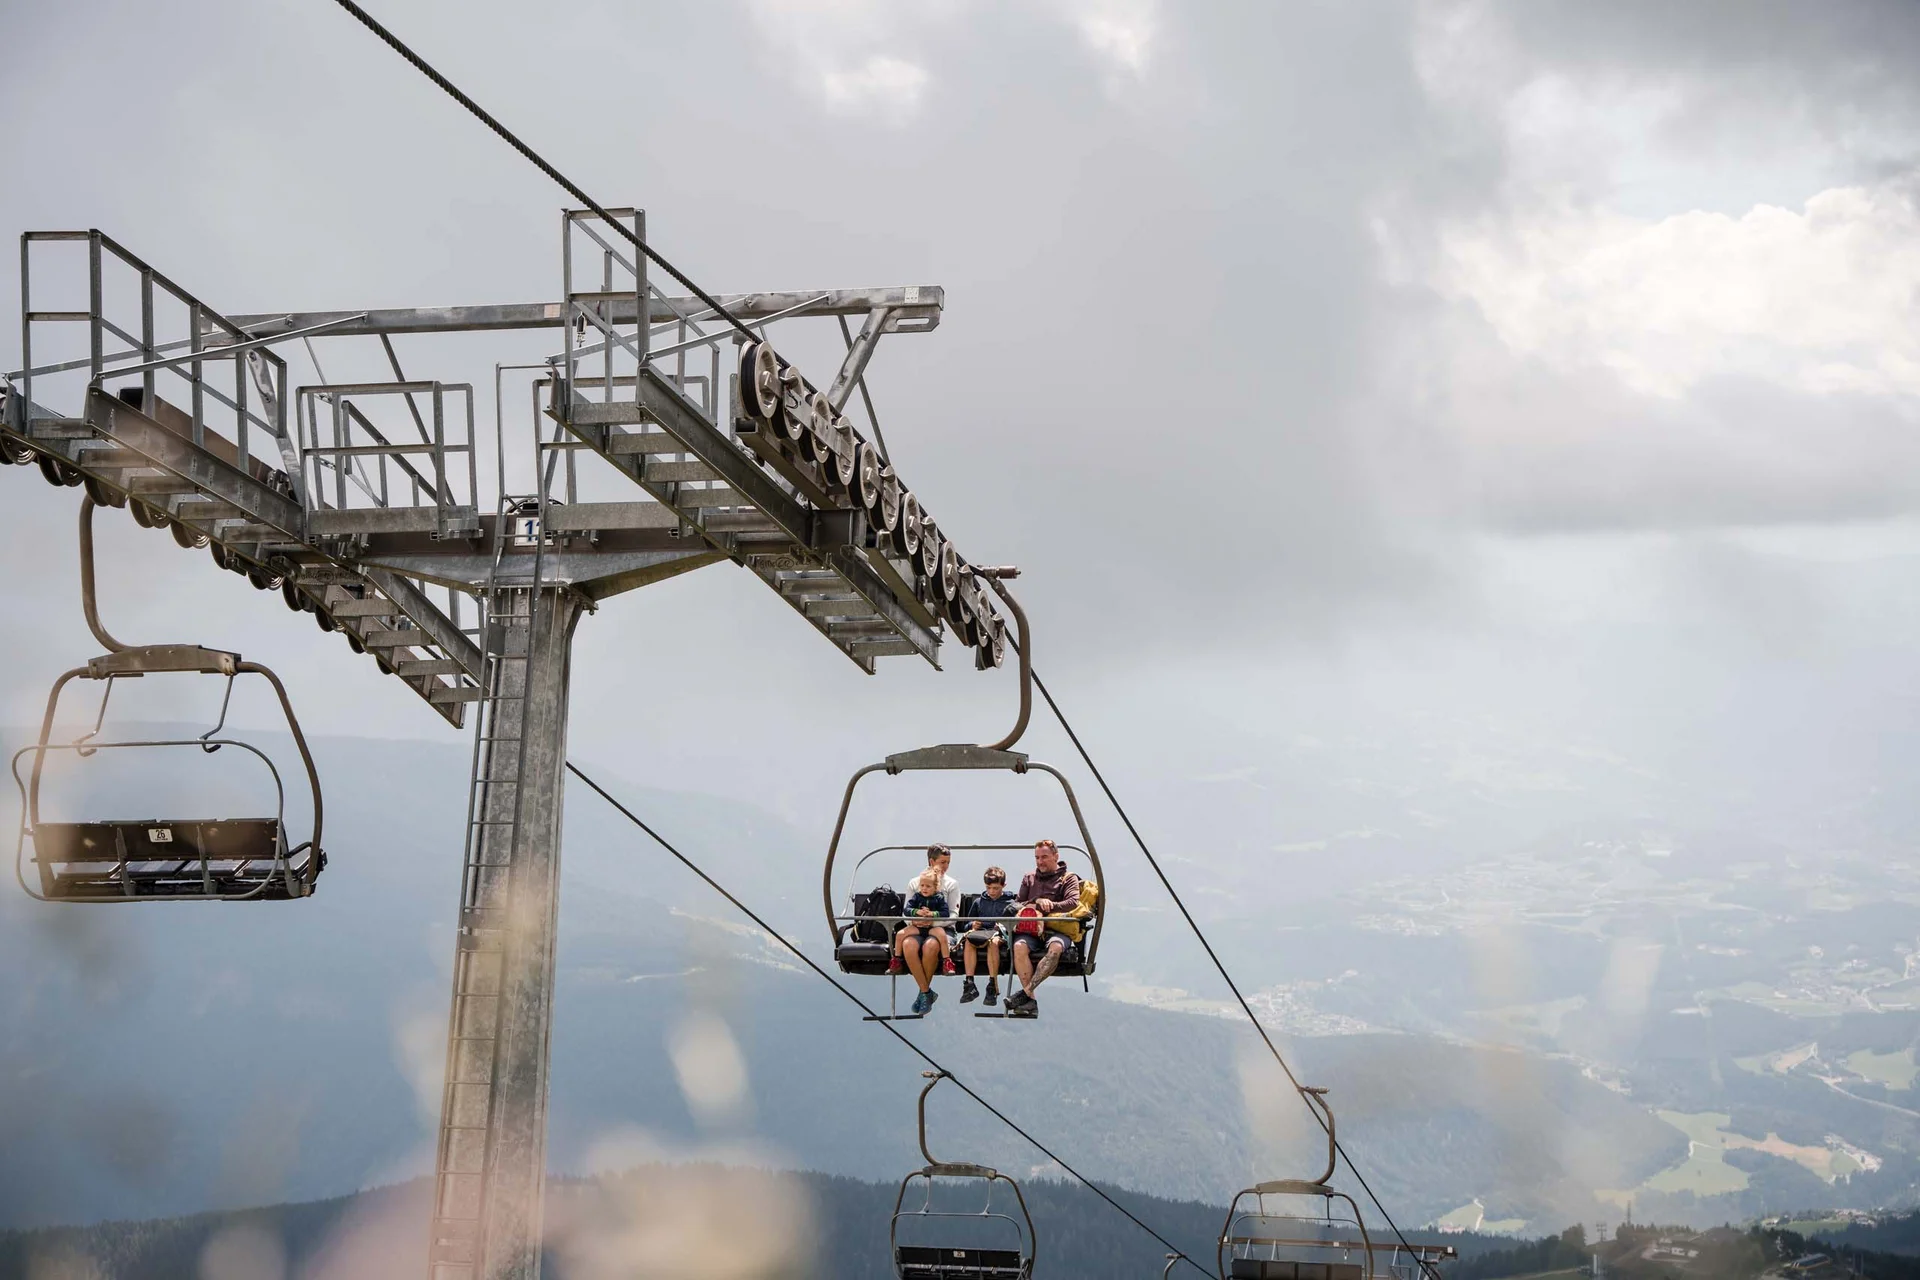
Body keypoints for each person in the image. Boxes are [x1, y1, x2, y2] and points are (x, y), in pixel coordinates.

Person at [1006, 839, 1082, 1017]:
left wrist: (1051, 906)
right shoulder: (1029, 878)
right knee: (1019, 946)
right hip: (1031, 930)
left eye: (1045, 857)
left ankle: (1025, 992)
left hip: (1057, 929)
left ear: (1056, 856)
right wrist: (1037, 903)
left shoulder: (1068, 878)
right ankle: (1030, 999)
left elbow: (1072, 903)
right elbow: (1017, 904)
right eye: (1037, 858)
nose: (1040, 862)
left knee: (1055, 949)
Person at [958, 865, 1017, 1005]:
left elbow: (1014, 927)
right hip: (980, 934)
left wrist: (1002, 927)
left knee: (993, 943)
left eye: (995, 888)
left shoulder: (1011, 903)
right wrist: (972, 925)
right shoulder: (979, 902)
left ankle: (992, 984)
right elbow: (965, 925)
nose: (991, 891)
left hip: (998, 936)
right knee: (968, 941)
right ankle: (969, 982)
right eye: (988, 888)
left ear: (1003, 886)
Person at [897, 867, 952, 1014]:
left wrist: (932, 916)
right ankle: (926, 992)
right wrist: (917, 914)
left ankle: (924, 993)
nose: (924, 889)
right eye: (922, 886)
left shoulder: (939, 897)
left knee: (931, 946)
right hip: (917, 926)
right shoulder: (917, 896)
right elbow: (907, 910)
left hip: (934, 927)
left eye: (928, 886)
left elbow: (946, 913)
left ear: (935, 887)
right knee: (907, 944)